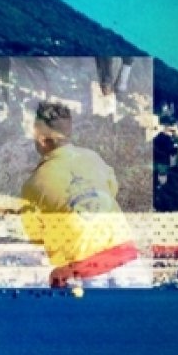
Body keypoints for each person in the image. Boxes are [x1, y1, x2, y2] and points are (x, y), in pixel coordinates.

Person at [20, 101, 150, 288]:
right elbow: (111, 191)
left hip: (88, 277)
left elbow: (36, 236)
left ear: (41, 138)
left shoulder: (33, 185)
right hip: (130, 265)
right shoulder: (93, 158)